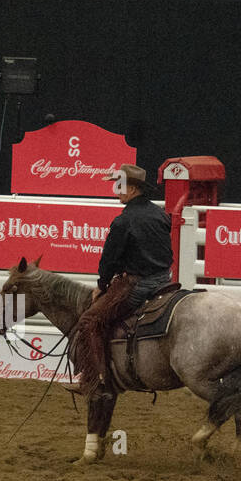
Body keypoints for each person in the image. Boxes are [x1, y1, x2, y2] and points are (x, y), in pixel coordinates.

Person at [66, 163, 174, 395]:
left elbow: (109, 260)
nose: (116, 189)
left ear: (133, 189)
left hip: (138, 284)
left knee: (89, 321)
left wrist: (102, 285)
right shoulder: (160, 215)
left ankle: (97, 379)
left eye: (120, 185)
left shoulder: (123, 222)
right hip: (164, 280)